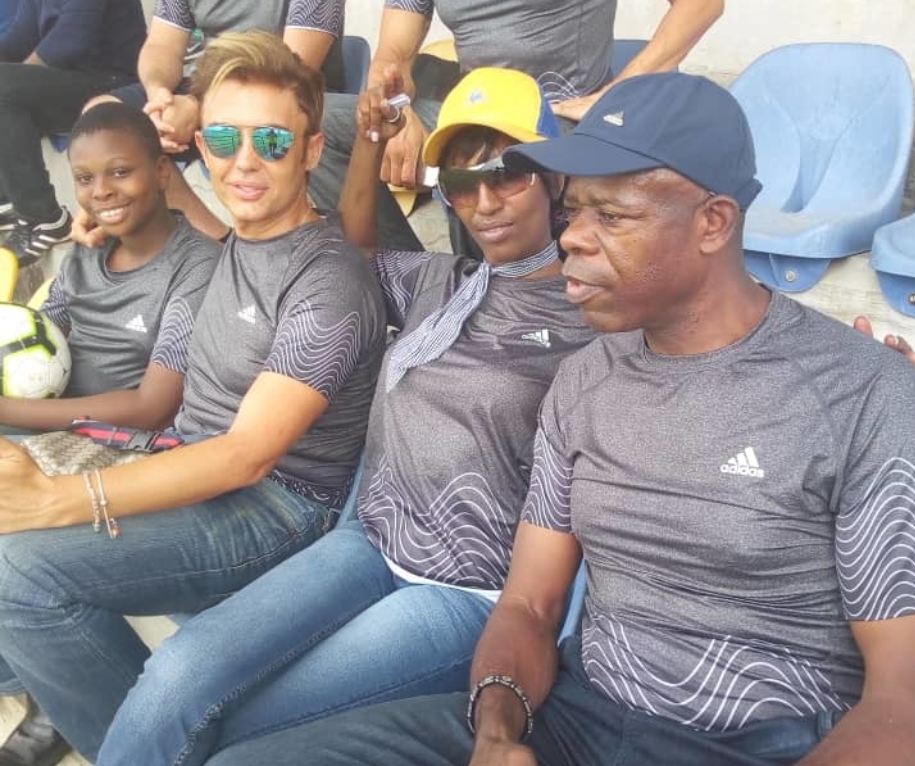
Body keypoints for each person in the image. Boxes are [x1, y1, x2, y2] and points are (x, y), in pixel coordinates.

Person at [100, 68, 915, 766]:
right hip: (528, 671)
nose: (574, 237)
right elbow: (531, 609)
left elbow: (908, 702)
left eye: (607, 214)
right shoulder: (535, 342)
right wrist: (499, 726)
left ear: (713, 221)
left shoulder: (849, 388)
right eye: (462, 184)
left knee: (220, 715)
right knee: (214, 716)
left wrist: (850, 366)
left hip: (728, 724)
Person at [95, 65, 596, 766]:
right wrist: (370, 141)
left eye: (507, 174)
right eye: (461, 182)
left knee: (233, 729)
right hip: (366, 540)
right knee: (180, 672)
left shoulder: (591, 316)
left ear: (553, 177)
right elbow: (355, 252)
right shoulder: (439, 281)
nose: (484, 201)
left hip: (463, 586)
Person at [0, 30, 385, 762]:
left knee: (20, 575)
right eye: (225, 139)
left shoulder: (327, 280)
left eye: (272, 141)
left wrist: (58, 501)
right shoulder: (239, 238)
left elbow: (247, 456)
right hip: (187, 463)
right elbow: (164, 190)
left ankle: (139, 748)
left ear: (310, 151)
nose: (245, 162)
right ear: (201, 148)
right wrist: (108, 214)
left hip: (277, 507)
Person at [310, 0, 725, 253]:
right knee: (319, 125)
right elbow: (393, 52)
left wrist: (617, 95)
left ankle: (503, 296)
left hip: (558, 118)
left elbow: (703, 5)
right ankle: (420, 282)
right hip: (473, 115)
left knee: (489, 160)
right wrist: (396, 108)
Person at [0, 102, 220, 435]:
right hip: (48, 422)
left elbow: (153, 409)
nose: (101, 191)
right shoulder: (88, 250)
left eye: (120, 172)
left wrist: (6, 410)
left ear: (162, 172)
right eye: (85, 178)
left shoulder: (197, 266)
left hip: (123, 442)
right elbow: (40, 332)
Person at [81, 0, 347, 241]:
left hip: (285, 94)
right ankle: (216, 242)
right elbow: (161, 46)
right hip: (208, 84)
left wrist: (198, 107)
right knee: (105, 122)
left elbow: (294, 65)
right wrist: (159, 98)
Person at [0, 0, 146, 265]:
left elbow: (71, 41)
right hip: (69, 79)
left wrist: (17, 79)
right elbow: (21, 35)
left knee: (3, 88)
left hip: (113, 83)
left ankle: (42, 218)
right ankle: (6, 200)